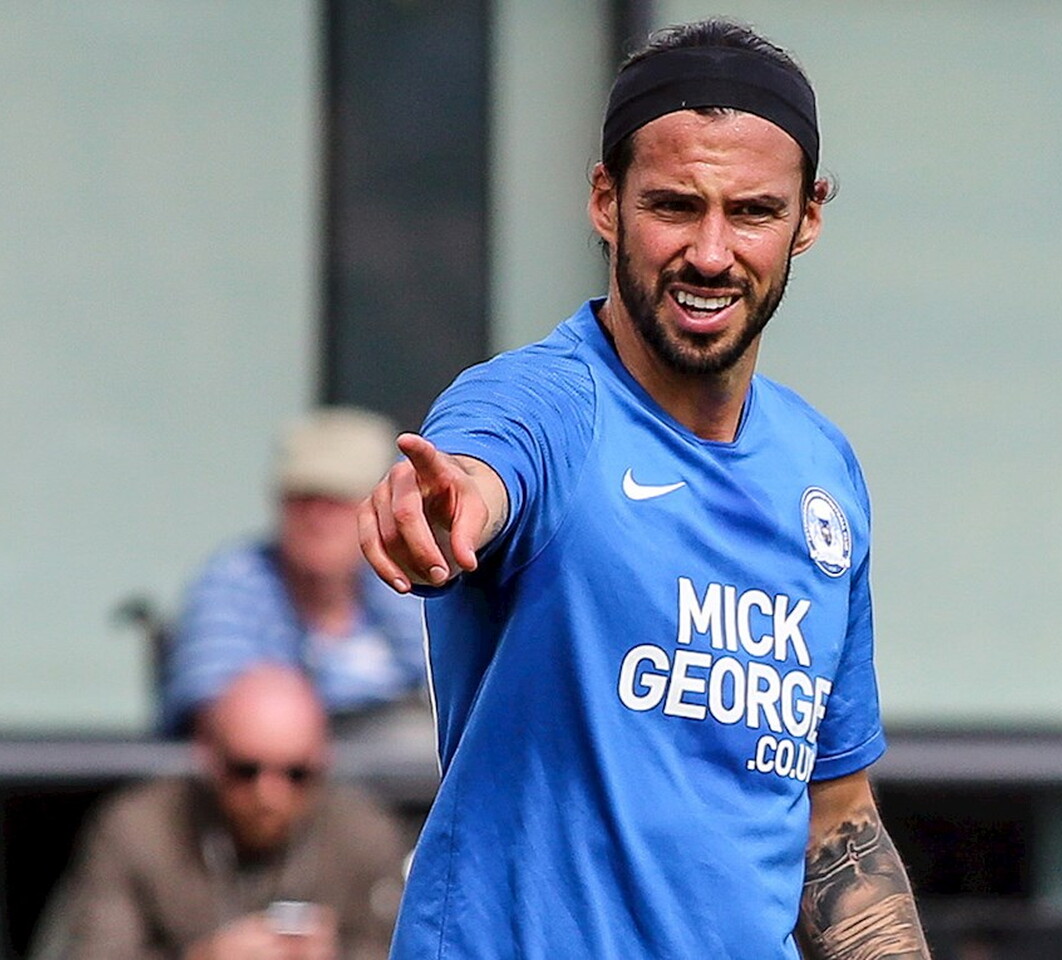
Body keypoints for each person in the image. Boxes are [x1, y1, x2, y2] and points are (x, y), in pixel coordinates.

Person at [360, 17, 932, 960]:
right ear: (605, 201)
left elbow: (836, 820)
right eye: (674, 205)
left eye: (753, 212)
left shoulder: (821, 471)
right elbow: (481, 466)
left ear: (809, 218)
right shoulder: (550, 401)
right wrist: (445, 506)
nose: (710, 253)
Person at [31, 664, 408, 960]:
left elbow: (409, 948)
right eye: (246, 770)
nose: (268, 795)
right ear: (209, 756)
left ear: (322, 764)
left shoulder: (364, 832)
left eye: (295, 774)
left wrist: (336, 955)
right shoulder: (137, 829)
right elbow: (92, 952)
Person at [160, 406, 427, 735]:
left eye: (337, 501)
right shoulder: (234, 581)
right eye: (303, 500)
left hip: (406, 766)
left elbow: (445, 697)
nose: (318, 519)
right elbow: (219, 717)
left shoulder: (410, 584)